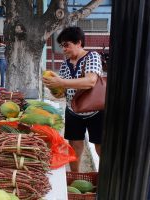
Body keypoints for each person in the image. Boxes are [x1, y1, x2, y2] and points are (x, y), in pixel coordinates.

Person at [42, 27, 104, 172]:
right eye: (62, 46)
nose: (63, 49)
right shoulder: (65, 64)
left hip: (96, 110)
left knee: (101, 148)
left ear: (78, 43)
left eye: (66, 45)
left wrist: (61, 82)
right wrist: (53, 87)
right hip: (73, 111)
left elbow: (90, 81)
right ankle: (75, 177)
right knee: (75, 146)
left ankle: (104, 178)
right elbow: (62, 93)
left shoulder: (92, 56)